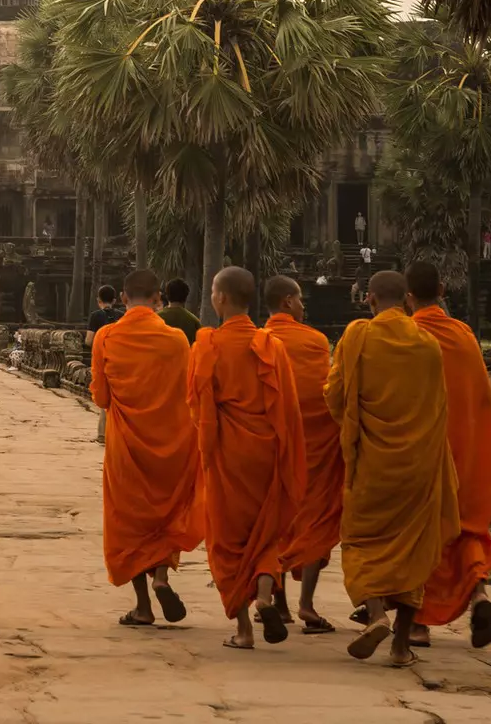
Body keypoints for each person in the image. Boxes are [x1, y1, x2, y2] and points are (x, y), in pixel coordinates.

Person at [327, 270, 460, 668]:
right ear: (406, 300)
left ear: (369, 299)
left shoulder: (358, 336)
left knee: (363, 543)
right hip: (417, 466)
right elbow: (440, 408)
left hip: (371, 461)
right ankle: (401, 646)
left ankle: (376, 613)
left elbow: (335, 395)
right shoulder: (428, 343)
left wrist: (351, 424)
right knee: (412, 549)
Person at [188, 267, 306, 650]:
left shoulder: (206, 345)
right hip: (266, 450)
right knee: (266, 529)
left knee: (227, 539)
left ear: (220, 298)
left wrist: (206, 446)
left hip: (227, 452)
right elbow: (287, 406)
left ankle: (243, 630)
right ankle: (265, 596)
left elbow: (198, 406)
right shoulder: (271, 345)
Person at [90, 267, 202, 627]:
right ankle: (162, 577)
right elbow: (189, 393)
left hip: (127, 446)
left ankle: (142, 606)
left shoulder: (106, 337)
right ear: (158, 299)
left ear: (123, 299)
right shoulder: (176, 341)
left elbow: (101, 397)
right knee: (165, 514)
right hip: (172, 444)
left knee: (129, 522)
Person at [406, 262, 491, 649]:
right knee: (464, 527)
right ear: (442, 289)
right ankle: (479, 594)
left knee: (421, 531)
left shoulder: (409, 336)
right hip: (467, 449)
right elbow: (481, 395)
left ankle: (417, 623)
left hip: (426, 450)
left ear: (409, 297)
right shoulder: (463, 334)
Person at [262, 274, 345, 635]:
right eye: (298, 299)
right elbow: (326, 390)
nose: (303, 304)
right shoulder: (315, 341)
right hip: (316, 447)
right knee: (317, 519)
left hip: (272, 445)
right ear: (286, 302)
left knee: (275, 521)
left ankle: (277, 604)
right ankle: (307, 605)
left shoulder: (258, 342)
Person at [88, 285, 126, 442]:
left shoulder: (96, 316)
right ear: (115, 300)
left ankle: (103, 434)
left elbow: (89, 340)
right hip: (121, 360)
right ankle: (118, 432)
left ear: (99, 301)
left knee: (104, 396)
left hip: (103, 360)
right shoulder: (122, 316)